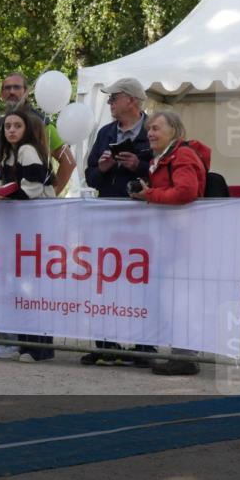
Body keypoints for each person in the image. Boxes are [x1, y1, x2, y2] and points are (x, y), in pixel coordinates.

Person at [129, 109, 210, 377]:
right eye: (149, 128)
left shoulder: (182, 155)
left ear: (173, 131)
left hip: (185, 238)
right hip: (173, 238)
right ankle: (181, 354)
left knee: (182, 298)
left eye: (156, 128)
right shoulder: (163, 158)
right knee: (174, 297)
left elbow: (186, 192)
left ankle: (185, 357)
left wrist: (150, 194)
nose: (150, 133)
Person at [81, 78, 155, 366]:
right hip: (107, 218)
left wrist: (139, 166)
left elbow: (163, 172)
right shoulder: (105, 132)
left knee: (144, 280)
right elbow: (90, 176)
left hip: (143, 220)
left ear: (132, 100)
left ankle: (144, 347)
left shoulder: (153, 130)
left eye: (114, 98)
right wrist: (102, 168)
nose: (110, 103)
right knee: (104, 279)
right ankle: (106, 344)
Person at [0, 110, 56, 363]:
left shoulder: (28, 152)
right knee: (19, 287)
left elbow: (32, 189)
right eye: (8, 126)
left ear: (26, 129)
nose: (11, 130)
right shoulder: (7, 155)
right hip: (19, 230)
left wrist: (1, 194)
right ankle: (21, 343)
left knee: (33, 287)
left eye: (17, 126)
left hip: (35, 227)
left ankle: (38, 348)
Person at [0, 72, 75, 196]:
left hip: (34, 206)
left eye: (16, 87)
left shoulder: (41, 123)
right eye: (7, 88)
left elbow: (69, 162)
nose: (11, 92)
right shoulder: (1, 123)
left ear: (26, 92)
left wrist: (51, 196)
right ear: (1, 94)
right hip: (6, 204)